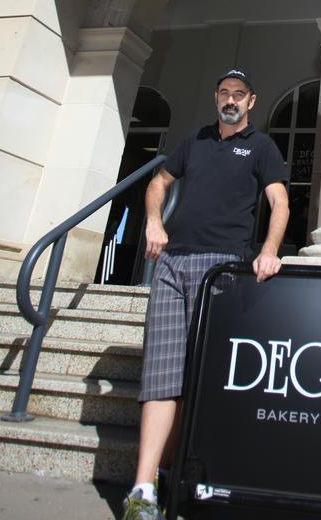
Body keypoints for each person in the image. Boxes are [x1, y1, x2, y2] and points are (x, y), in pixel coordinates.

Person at [121, 67, 290, 520]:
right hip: (173, 265)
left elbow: (280, 200)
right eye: (223, 93)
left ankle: (194, 475)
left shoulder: (261, 146)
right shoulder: (194, 140)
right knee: (161, 373)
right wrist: (154, 221)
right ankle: (143, 487)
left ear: (251, 101)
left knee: (207, 377)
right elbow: (158, 182)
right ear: (216, 98)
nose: (230, 100)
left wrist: (270, 250)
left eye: (238, 94)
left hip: (223, 271)